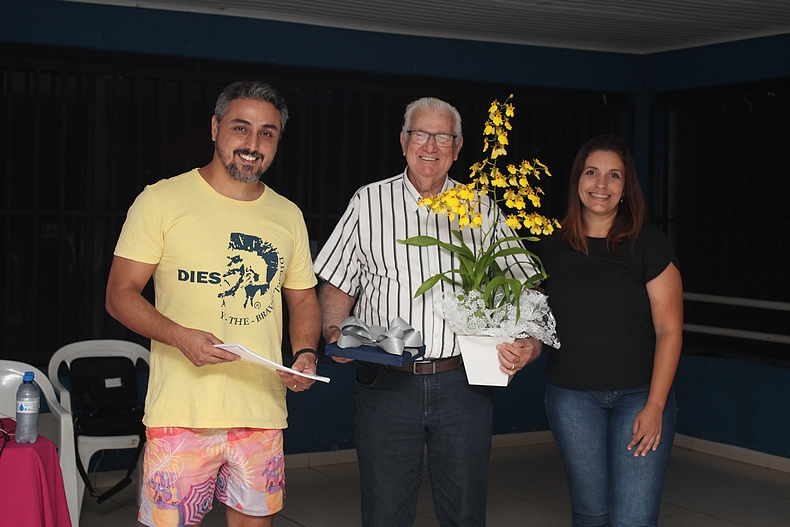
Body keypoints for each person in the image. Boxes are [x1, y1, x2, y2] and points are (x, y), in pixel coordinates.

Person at [314, 97, 542, 527]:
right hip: (385, 383)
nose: (430, 146)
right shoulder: (368, 202)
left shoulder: (480, 208)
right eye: (420, 133)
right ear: (403, 141)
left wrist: (529, 341)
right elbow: (338, 282)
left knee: (465, 513)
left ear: (457, 148)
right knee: (385, 514)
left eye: (443, 137)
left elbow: (524, 281)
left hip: (463, 387)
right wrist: (333, 329)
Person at [105, 81, 321, 527]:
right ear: (215, 127)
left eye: (267, 133)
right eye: (241, 129)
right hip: (181, 410)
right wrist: (179, 337)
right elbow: (119, 296)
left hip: (259, 411)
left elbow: (302, 299)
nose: (253, 144)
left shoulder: (287, 215)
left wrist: (304, 352)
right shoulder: (161, 201)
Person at [535, 134, 683, 527]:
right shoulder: (548, 248)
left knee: (633, 518)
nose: (601, 185)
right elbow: (530, 322)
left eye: (613, 175)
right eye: (592, 173)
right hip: (571, 400)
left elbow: (670, 330)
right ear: (577, 181)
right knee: (590, 513)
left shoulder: (648, 244)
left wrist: (655, 407)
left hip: (640, 397)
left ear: (625, 187)